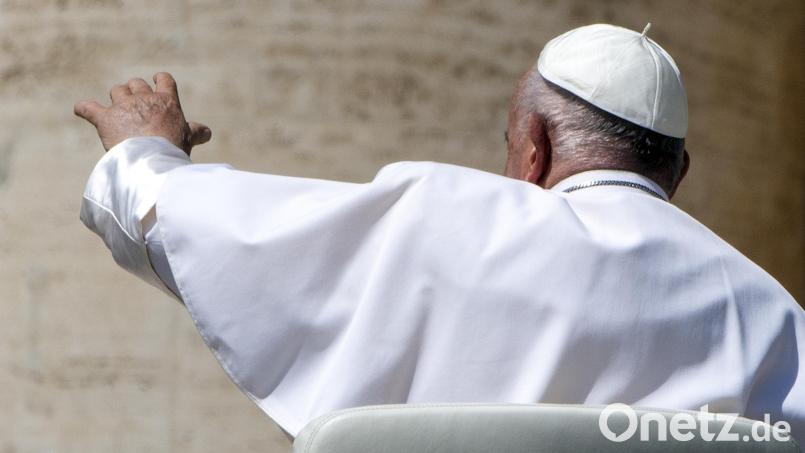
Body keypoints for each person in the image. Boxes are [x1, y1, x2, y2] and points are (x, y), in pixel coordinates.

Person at [75, 24, 804, 442]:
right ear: (675, 173)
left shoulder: (442, 217)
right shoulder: (774, 316)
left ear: (534, 147)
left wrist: (145, 154)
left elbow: (184, 224)